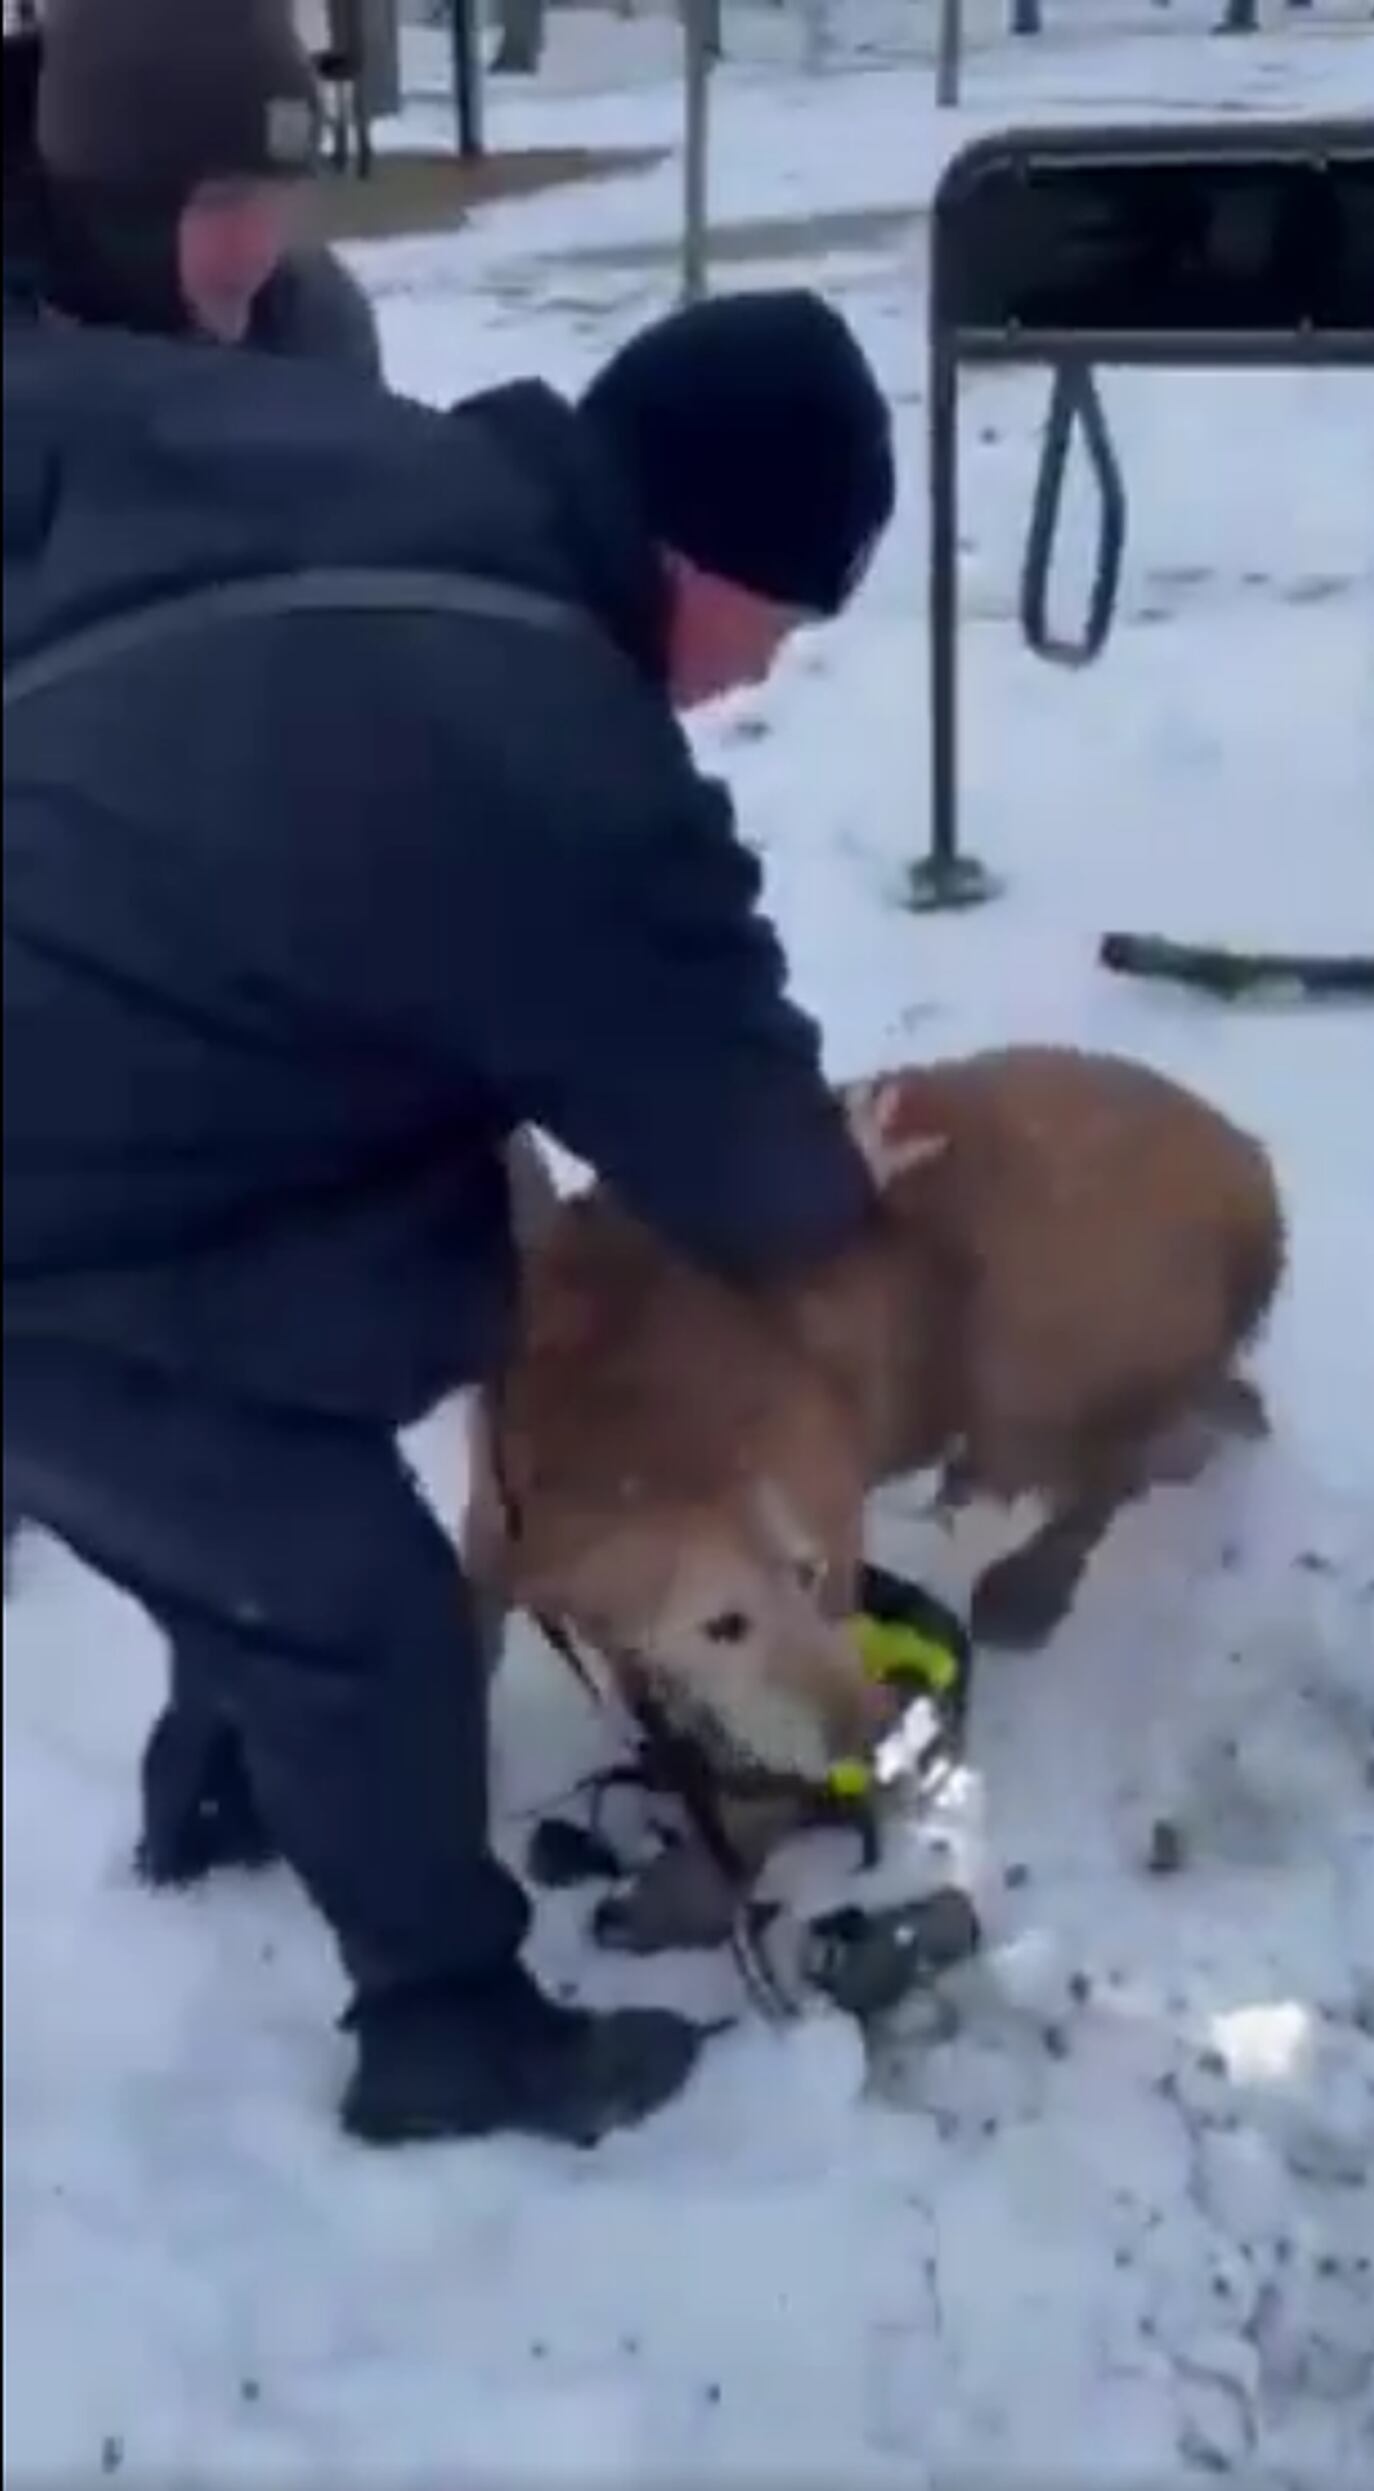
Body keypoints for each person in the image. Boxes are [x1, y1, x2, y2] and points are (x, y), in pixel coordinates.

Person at [4, 280, 898, 2149]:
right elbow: (742, 1151)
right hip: (56, 1203)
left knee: (285, 1410)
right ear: (704, 545)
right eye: (784, 619)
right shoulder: (561, 756)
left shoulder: (337, 442)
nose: (762, 674)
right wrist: (834, 1186)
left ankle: (224, 1789)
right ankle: (449, 2032)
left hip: (112, 1087)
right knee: (365, 1613)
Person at [2, 0, 380, 1813]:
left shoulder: (309, 326)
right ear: (101, 192)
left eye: (280, 196)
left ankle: (234, 1722)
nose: (257, 249)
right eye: (213, 198)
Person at [3, 0, 380, 367]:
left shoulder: (316, 335)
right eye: (220, 201)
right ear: (112, 210)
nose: (259, 247)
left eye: (277, 192)